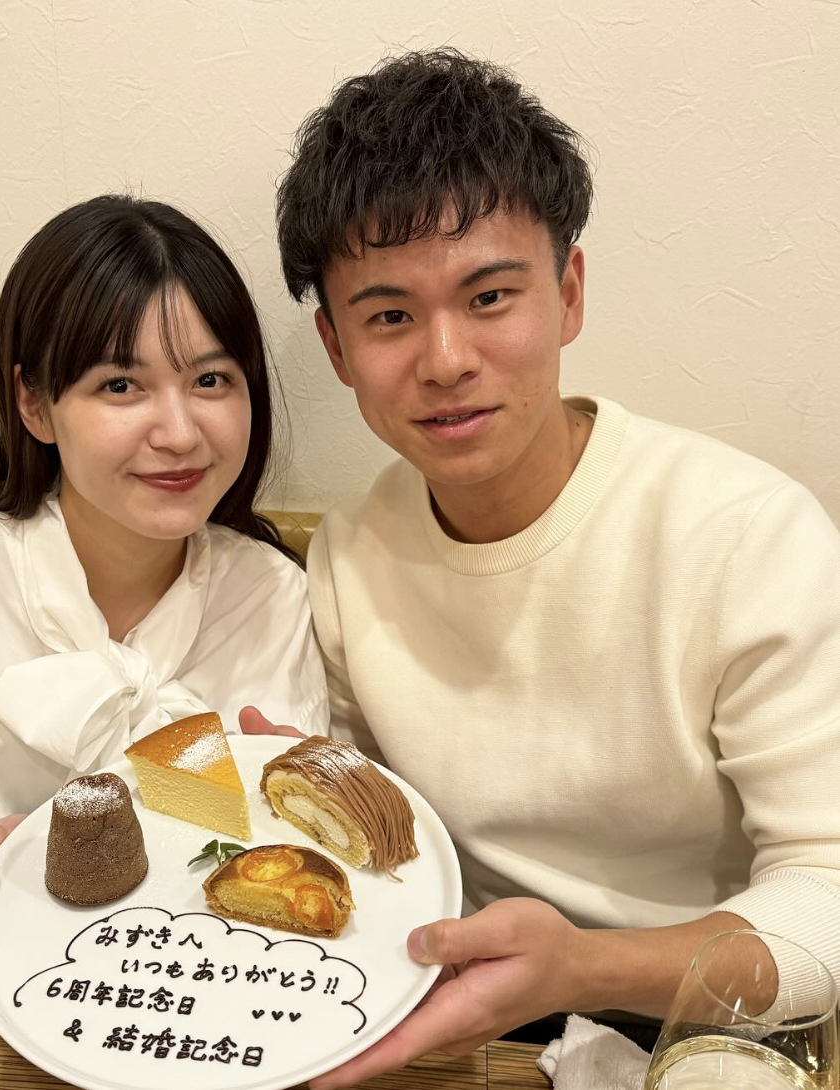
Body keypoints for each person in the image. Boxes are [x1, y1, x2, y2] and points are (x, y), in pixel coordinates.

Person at [243, 48, 840, 1087]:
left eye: (488, 296)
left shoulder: (745, 536)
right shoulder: (349, 556)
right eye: (390, 316)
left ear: (567, 294)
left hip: (717, 1023)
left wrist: (582, 968)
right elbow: (377, 848)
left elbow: (828, 894)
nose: (444, 360)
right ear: (337, 349)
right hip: (454, 1009)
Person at [0, 195, 329, 980]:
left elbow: (265, 865)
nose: (180, 433)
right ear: (33, 403)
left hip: (178, 992)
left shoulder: (269, 595)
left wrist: (294, 806)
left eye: (211, 379)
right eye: (121, 386)